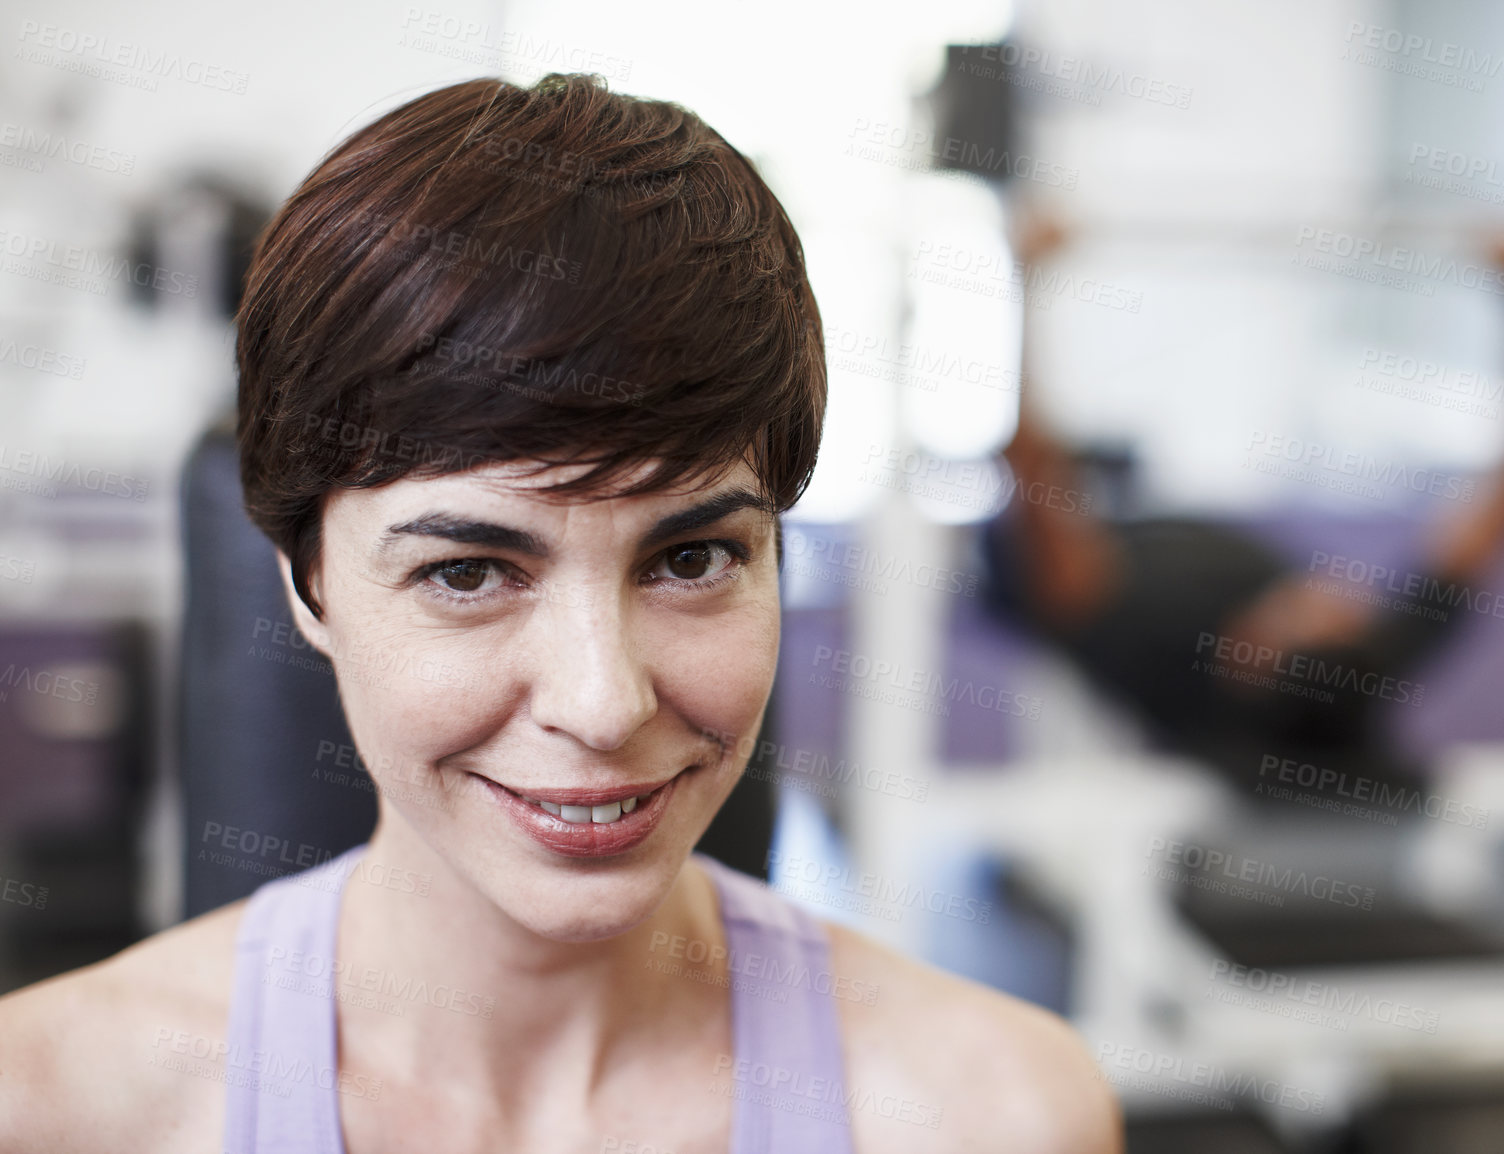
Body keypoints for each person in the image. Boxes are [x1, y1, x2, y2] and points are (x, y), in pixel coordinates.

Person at [0, 73, 1121, 1154]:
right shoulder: (53, 1111)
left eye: (691, 557)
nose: (601, 703)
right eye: (468, 572)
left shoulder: (998, 1115)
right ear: (307, 581)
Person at [983, 217, 1504, 799]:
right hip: (1167, 546)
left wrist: (1026, 282)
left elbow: (1031, 467)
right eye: (1346, 612)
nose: (1339, 593)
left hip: (1044, 562)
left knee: (1051, 519)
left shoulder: (1131, 632)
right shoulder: (1366, 664)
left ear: (1254, 659)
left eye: (1318, 613)